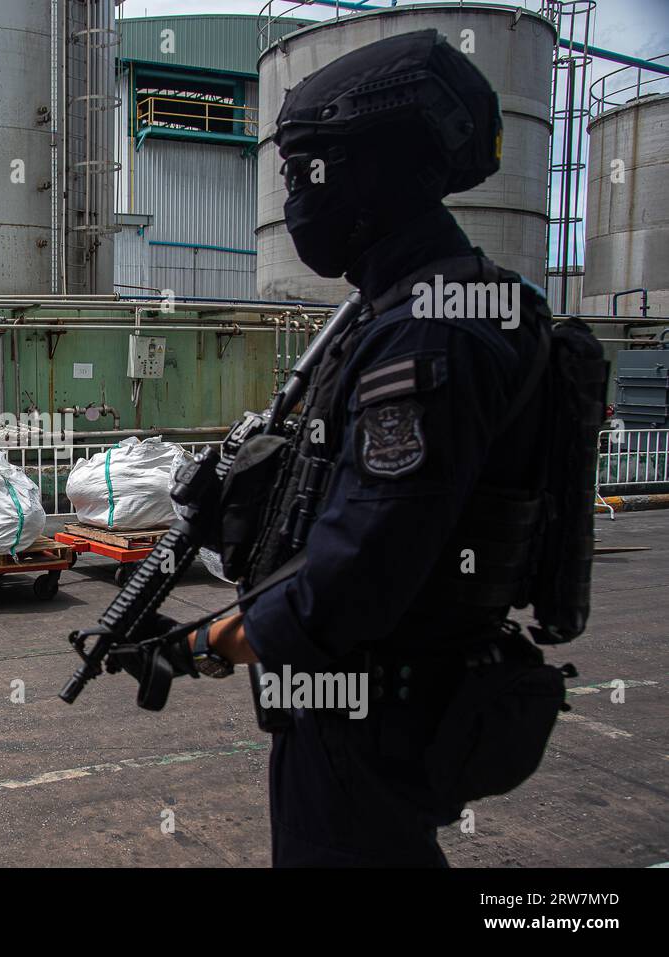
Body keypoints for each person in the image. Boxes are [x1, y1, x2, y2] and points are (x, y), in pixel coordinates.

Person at [178, 29, 567, 866]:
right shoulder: (404, 306)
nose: (295, 198)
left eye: (306, 172)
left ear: (370, 173)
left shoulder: (429, 328)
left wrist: (212, 642)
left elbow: (362, 568)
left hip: (376, 707)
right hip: (379, 698)